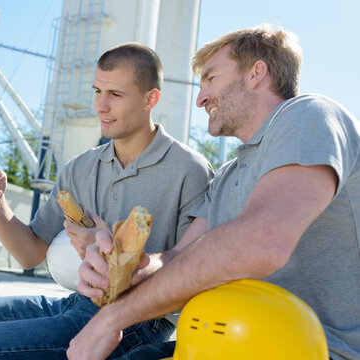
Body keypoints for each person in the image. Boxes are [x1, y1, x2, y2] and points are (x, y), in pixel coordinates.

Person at [69, 24, 360, 360]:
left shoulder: (309, 115)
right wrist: (127, 268)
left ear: (257, 74)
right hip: (224, 343)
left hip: (311, 349)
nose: (200, 97)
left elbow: (262, 240)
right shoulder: (226, 177)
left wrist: (114, 318)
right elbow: (179, 258)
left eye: (211, 78)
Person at [0, 43, 214, 359]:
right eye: (97, 91)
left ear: (151, 99)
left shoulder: (190, 170)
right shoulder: (80, 168)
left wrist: (114, 252)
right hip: (79, 302)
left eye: (115, 95)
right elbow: (30, 254)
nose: (101, 106)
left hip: (140, 320)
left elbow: (192, 268)